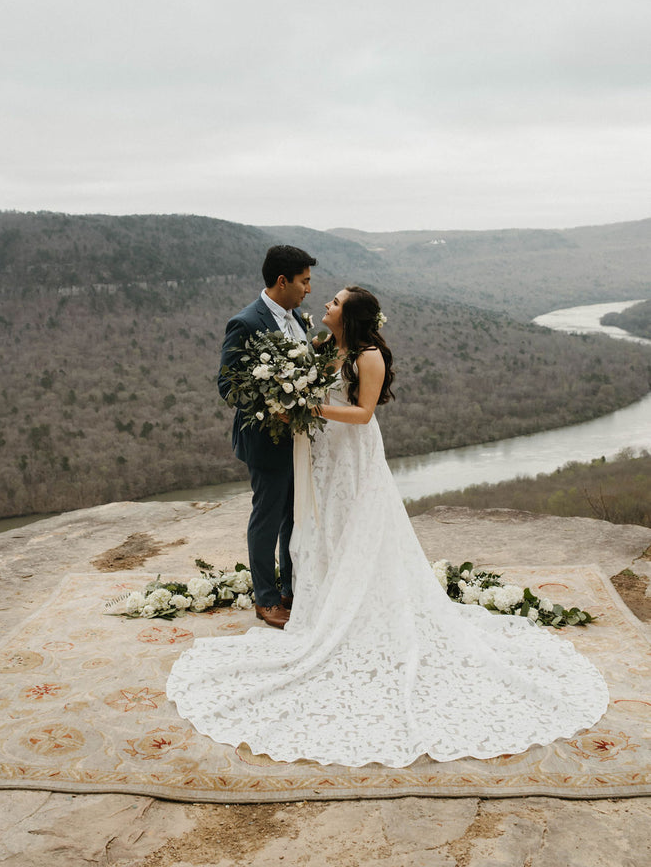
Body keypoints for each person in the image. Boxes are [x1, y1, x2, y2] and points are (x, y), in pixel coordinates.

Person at [168, 285, 608, 767]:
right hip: (323, 452)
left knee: (359, 526)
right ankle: (324, 599)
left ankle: (360, 605)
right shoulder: (324, 348)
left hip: (352, 454)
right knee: (325, 526)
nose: (326, 306)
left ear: (350, 316)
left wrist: (305, 407)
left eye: (334, 303)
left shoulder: (368, 356)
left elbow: (362, 414)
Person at [217, 244, 316, 630]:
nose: (309, 289)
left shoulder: (297, 321)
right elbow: (228, 385)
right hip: (266, 439)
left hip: (300, 440)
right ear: (282, 281)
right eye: (304, 281)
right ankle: (266, 598)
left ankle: (291, 588)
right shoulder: (246, 322)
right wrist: (271, 403)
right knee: (268, 518)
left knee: (295, 517)